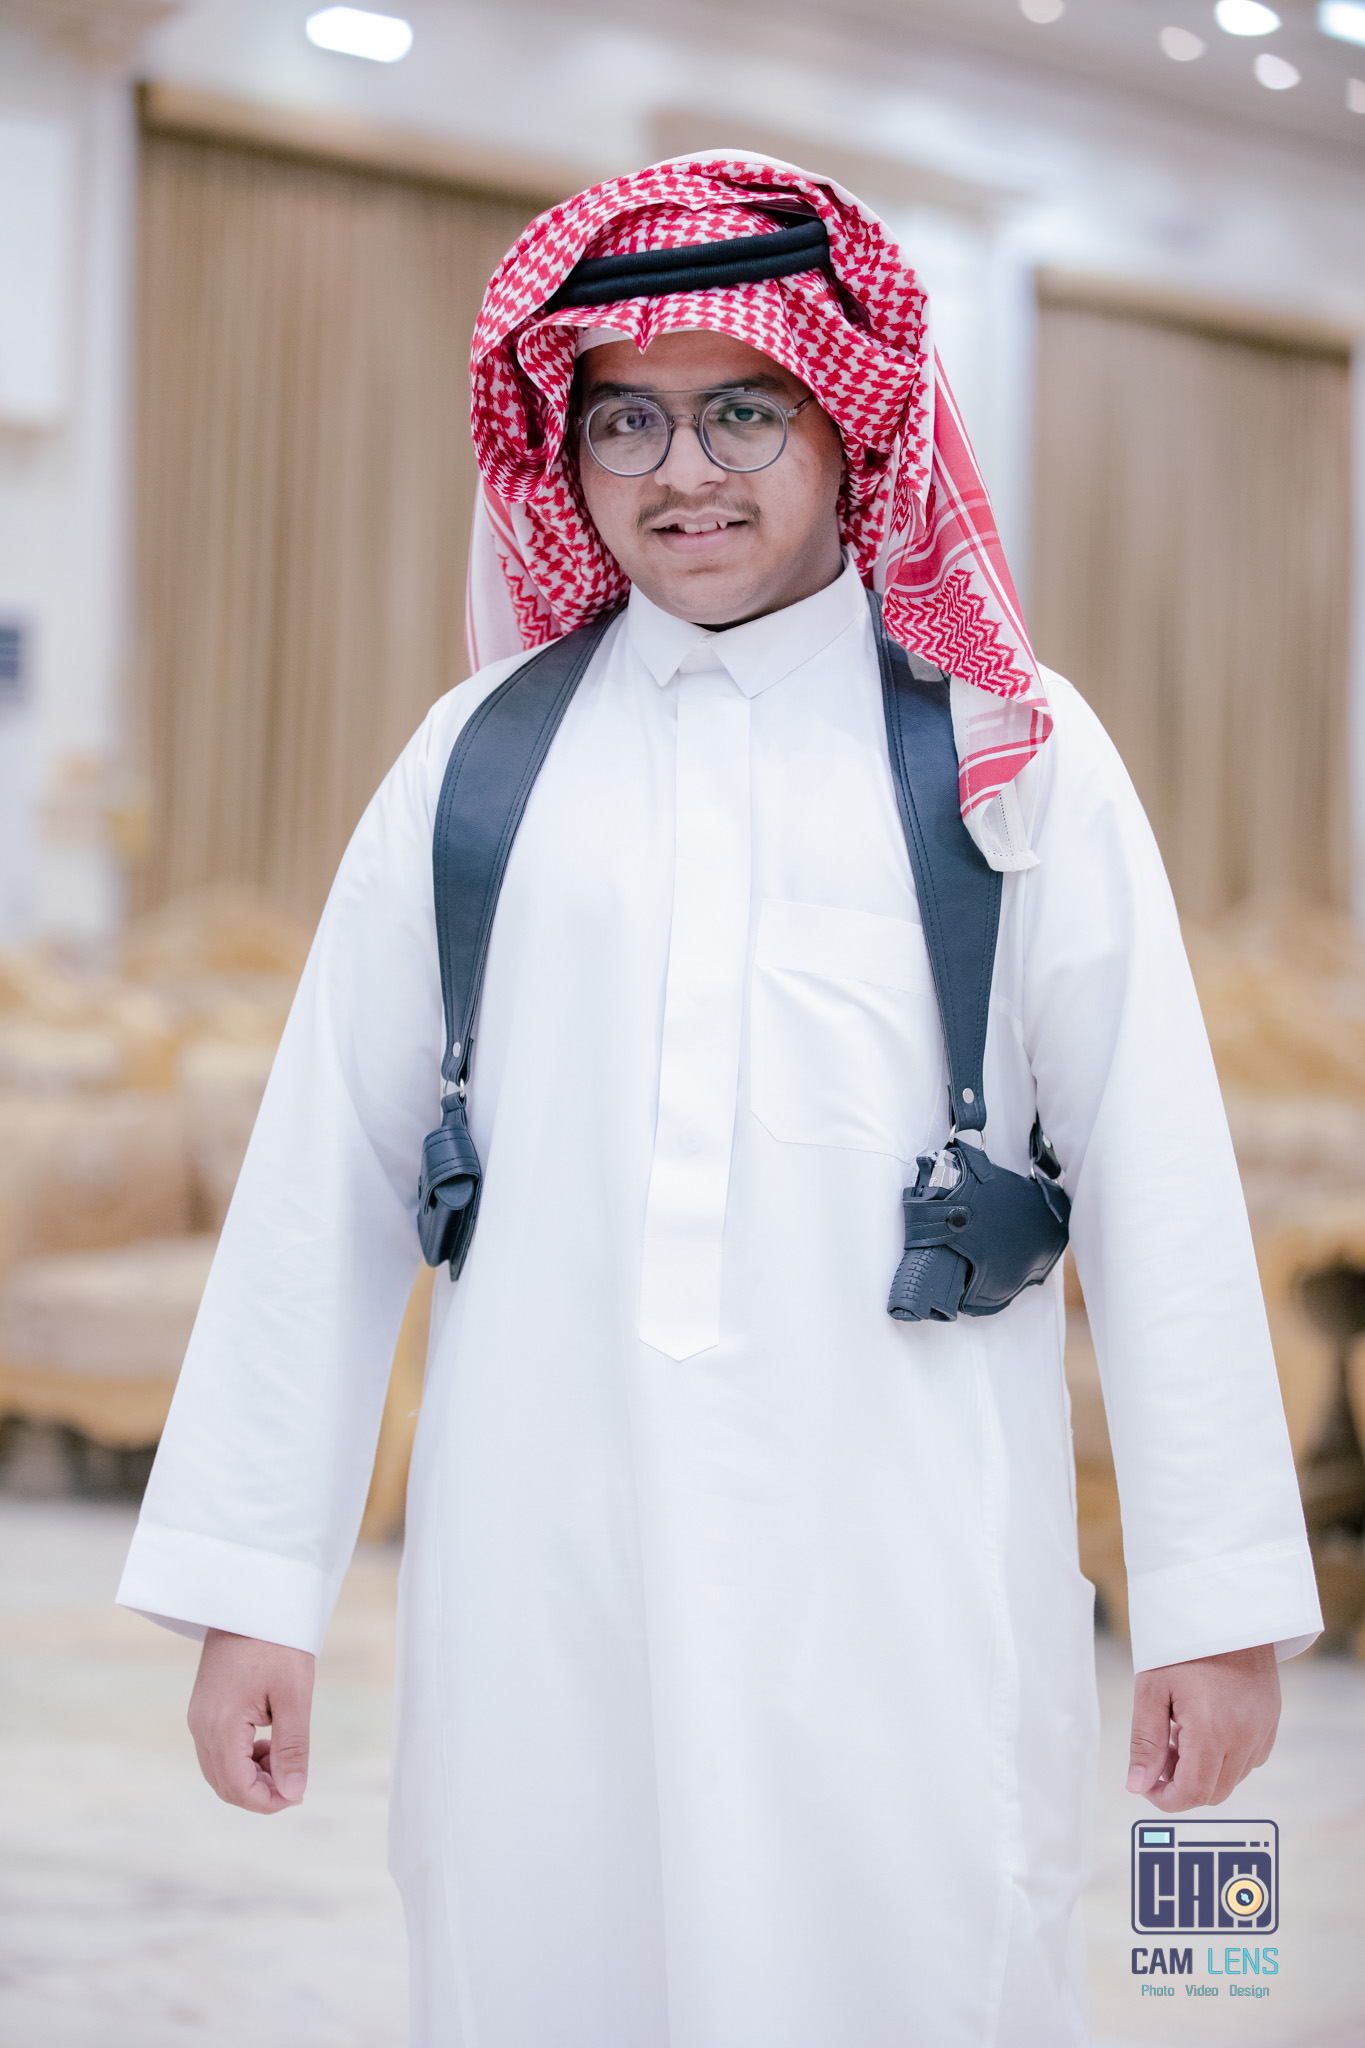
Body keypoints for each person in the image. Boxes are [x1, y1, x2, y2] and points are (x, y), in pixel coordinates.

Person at [118, 153, 1320, 2048]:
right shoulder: (478, 761)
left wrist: (1213, 1603)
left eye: (741, 411)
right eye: (627, 422)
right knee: (544, 1964)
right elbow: (323, 1185)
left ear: (846, 423)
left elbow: (1158, 1184)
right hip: (538, 1567)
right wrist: (251, 1587)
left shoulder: (1010, 755)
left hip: (899, 1573)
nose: (683, 472)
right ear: (565, 454)